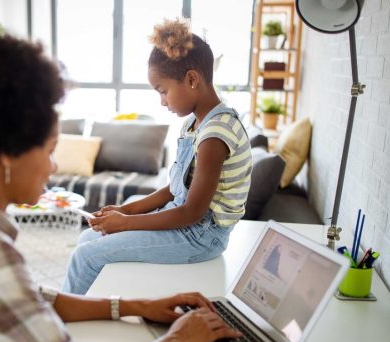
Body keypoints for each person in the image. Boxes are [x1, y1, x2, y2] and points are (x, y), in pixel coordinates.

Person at [0, 33, 240, 342]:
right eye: (50, 148)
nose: (54, 167)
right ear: (9, 152)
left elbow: (26, 299)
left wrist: (136, 306)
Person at [62, 19, 252, 295]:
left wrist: (126, 223)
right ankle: (94, 306)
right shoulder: (194, 124)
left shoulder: (216, 134)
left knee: (85, 257)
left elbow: (191, 213)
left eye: (163, 91)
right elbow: (174, 190)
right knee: (88, 237)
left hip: (201, 236)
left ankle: (66, 324)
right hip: (186, 226)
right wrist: (125, 210)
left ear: (191, 79)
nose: (162, 101)